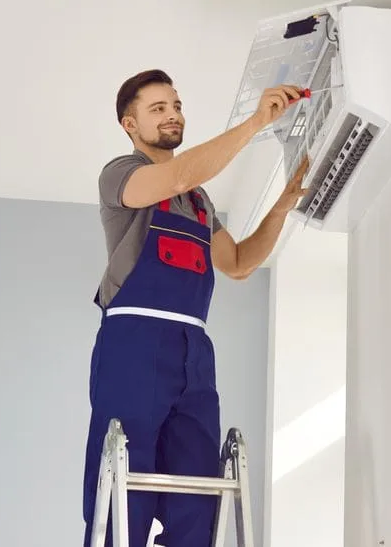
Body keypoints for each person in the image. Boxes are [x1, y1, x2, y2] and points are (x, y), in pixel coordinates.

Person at [82, 69, 309, 547]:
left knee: (196, 494)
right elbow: (181, 172)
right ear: (130, 124)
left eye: (177, 106)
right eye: (158, 108)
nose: (173, 115)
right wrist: (254, 125)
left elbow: (240, 263)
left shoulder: (199, 201)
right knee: (128, 491)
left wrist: (282, 206)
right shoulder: (121, 176)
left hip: (194, 354)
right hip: (134, 344)